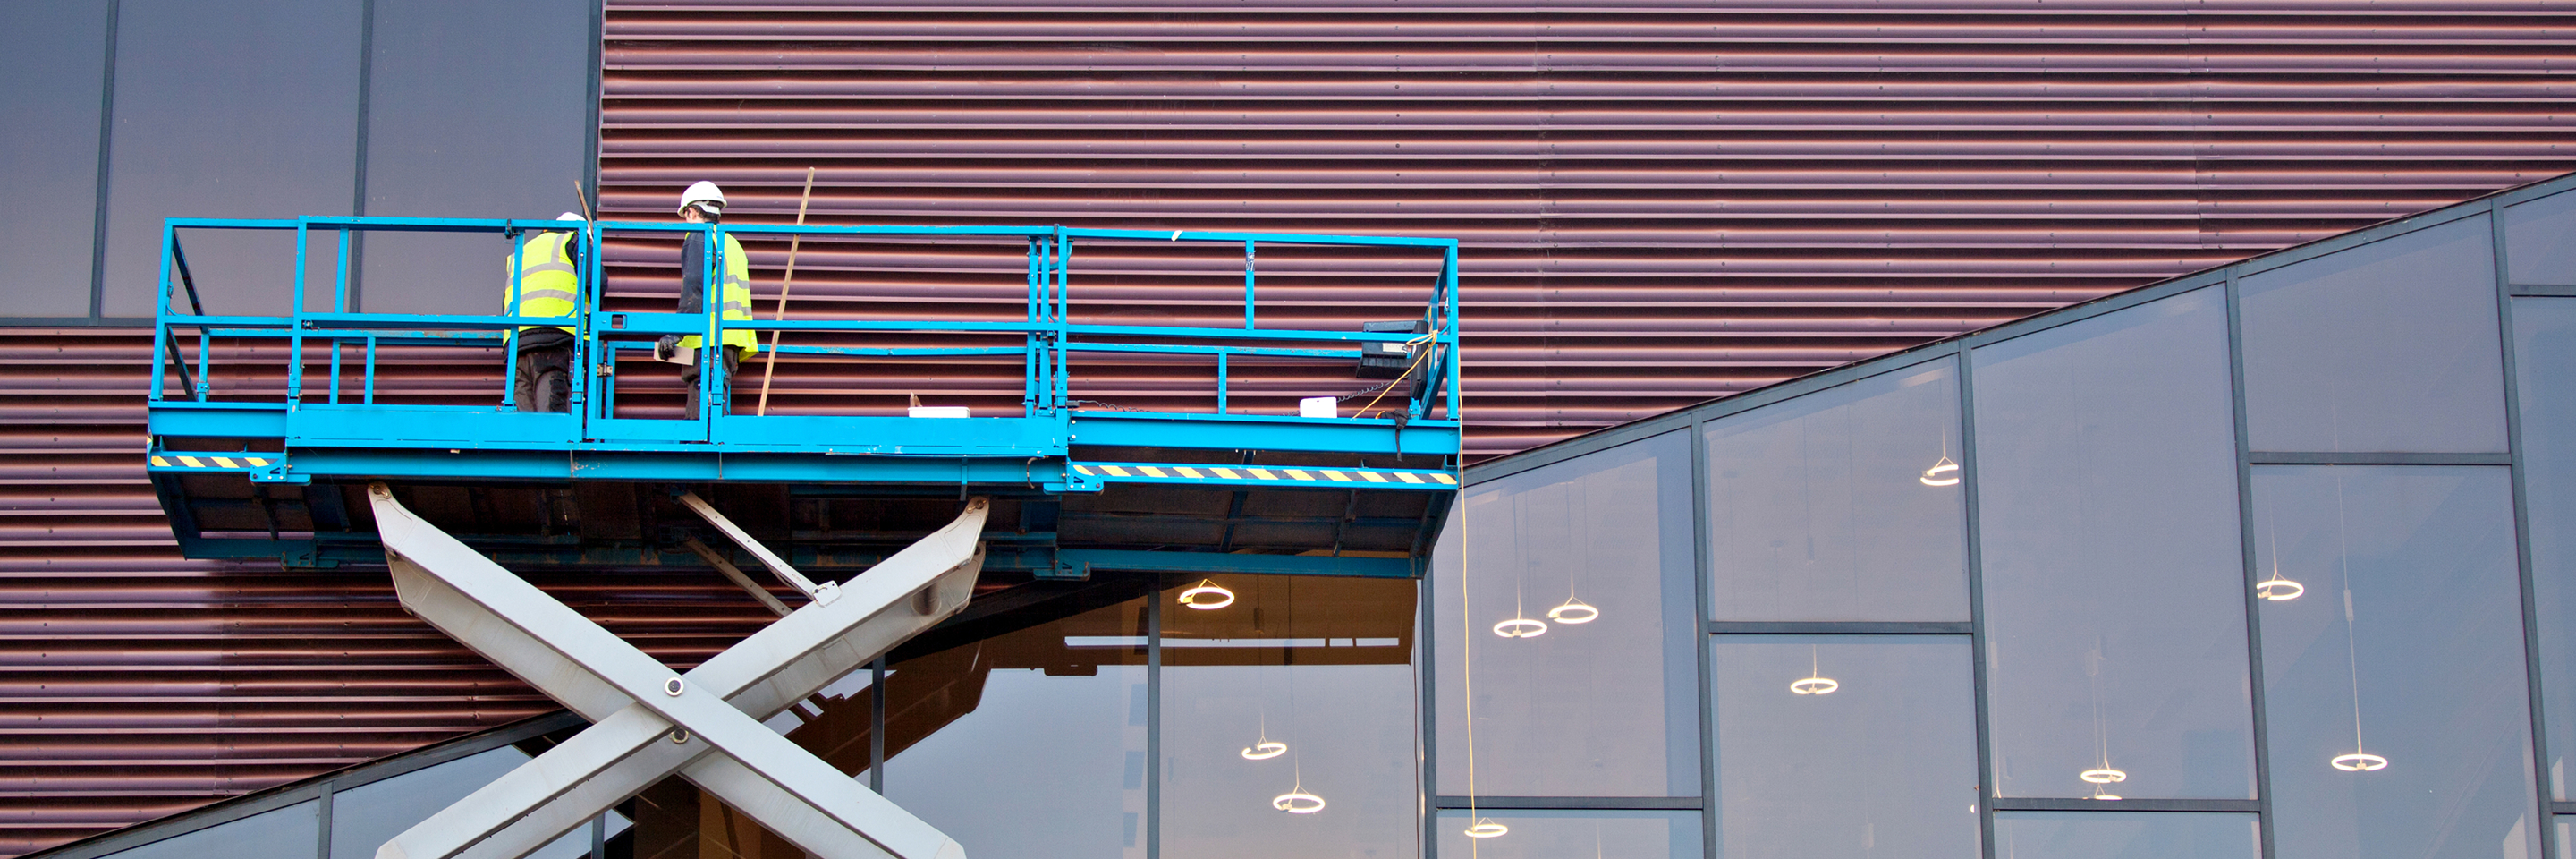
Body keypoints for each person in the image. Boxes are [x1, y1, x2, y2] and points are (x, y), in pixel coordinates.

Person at [666, 181, 759, 419]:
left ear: (693, 211)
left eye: (686, 215)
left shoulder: (700, 237)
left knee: (702, 411)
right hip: (731, 338)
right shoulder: (732, 243)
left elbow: (694, 288)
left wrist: (676, 333)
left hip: (707, 337)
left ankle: (700, 453)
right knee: (717, 401)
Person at [504, 212, 586, 412]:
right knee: (551, 423)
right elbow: (596, 282)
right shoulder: (574, 240)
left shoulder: (520, 253)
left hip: (517, 345)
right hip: (553, 340)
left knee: (523, 431)